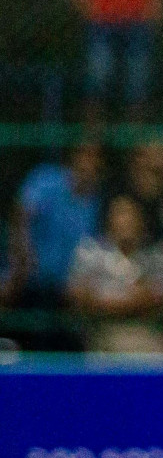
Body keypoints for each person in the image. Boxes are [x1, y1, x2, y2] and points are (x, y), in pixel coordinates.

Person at [13, 143, 103, 349]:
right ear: (74, 157)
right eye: (85, 156)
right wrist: (23, 263)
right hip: (31, 284)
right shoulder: (47, 180)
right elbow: (20, 216)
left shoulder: (94, 201)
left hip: (66, 293)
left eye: (95, 159)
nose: (89, 164)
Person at [67, 193, 163, 354]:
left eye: (130, 213)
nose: (125, 220)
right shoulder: (89, 250)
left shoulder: (158, 252)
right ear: (109, 218)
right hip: (103, 333)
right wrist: (136, 300)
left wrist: (106, 300)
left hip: (148, 333)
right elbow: (76, 294)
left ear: (141, 219)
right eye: (120, 213)